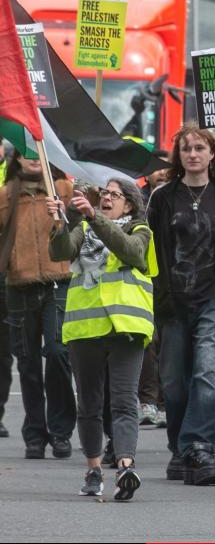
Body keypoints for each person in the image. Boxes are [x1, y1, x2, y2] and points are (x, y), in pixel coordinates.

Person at [148, 125, 215, 486]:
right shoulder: (163, 196)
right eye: (186, 149)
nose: (192, 154)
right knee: (174, 383)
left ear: (212, 155)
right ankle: (180, 450)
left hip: (213, 297)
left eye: (199, 148)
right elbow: (149, 245)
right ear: (179, 156)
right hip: (173, 300)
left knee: (206, 375)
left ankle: (200, 447)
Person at [48, 178, 154, 500]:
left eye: (114, 194)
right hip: (86, 327)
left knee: (123, 402)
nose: (106, 198)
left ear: (130, 204)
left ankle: (125, 466)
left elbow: (130, 250)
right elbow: (60, 252)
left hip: (126, 326)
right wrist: (59, 224)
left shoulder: (141, 231)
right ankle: (93, 469)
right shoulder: (84, 229)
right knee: (90, 405)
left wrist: (94, 217)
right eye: (104, 193)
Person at [0, 150, 76, 460]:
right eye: (25, 152)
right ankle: (35, 435)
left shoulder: (63, 189)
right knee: (28, 363)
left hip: (59, 283)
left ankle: (61, 432)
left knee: (58, 353)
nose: (32, 157)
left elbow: (87, 219)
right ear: (15, 158)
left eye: (37, 151)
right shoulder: (5, 194)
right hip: (18, 287)